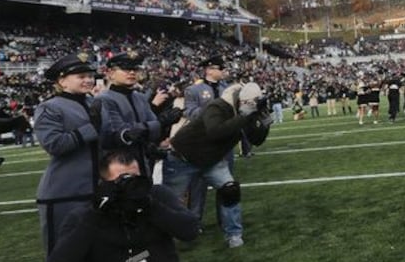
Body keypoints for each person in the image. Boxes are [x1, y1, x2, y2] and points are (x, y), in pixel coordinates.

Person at [47, 149, 199, 262]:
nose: (130, 187)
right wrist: (95, 216)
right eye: (122, 181)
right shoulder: (85, 215)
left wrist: (150, 206)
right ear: (105, 184)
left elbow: (190, 231)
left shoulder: (156, 196)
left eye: (135, 179)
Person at [165, 82, 273, 248]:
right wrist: (243, 117)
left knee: (230, 190)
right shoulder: (217, 106)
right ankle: (166, 238)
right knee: (172, 200)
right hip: (183, 157)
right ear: (240, 100)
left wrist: (264, 126)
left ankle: (234, 234)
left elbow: (254, 140)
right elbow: (215, 132)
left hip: (211, 160)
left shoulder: (248, 111)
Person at [35, 54, 101, 262]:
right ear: (62, 81)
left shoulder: (92, 102)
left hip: (94, 191)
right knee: (62, 260)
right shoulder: (49, 107)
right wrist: (89, 129)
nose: (88, 80)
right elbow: (54, 144)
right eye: (81, 76)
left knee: (93, 257)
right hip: (64, 194)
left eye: (90, 76)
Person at [95, 52, 182, 177]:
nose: (132, 72)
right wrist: (160, 123)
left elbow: (153, 131)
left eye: (135, 69)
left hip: (143, 161)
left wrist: (165, 124)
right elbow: (119, 134)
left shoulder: (139, 97)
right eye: (126, 68)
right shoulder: (104, 99)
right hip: (119, 164)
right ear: (110, 73)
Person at [183, 55, 228, 222]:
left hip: (224, 141)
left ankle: (225, 219)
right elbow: (188, 111)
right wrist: (210, 114)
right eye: (220, 68)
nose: (224, 71)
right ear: (209, 69)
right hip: (202, 141)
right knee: (197, 185)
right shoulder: (194, 89)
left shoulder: (227, 88)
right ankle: (195, 221)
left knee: (226, 185)